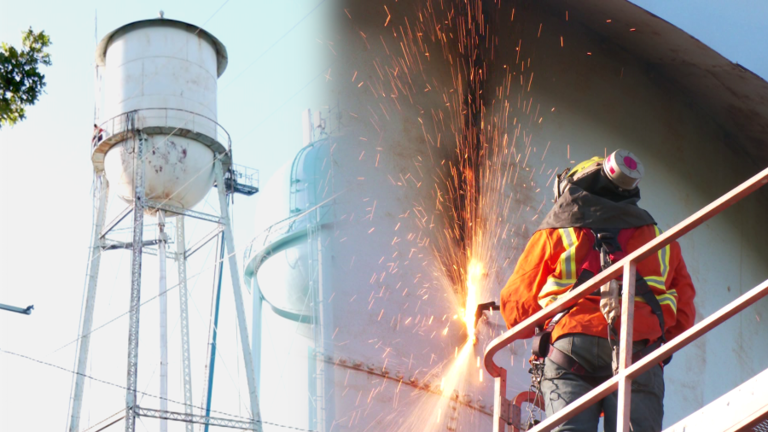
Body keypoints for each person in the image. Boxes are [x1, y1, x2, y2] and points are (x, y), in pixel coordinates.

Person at [499, 150, 696, 432]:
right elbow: (685, 316)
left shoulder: (555, 231)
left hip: (569, 349)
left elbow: (517, 309)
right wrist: (651, 335)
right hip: (638, 350)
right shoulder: (660, 239)